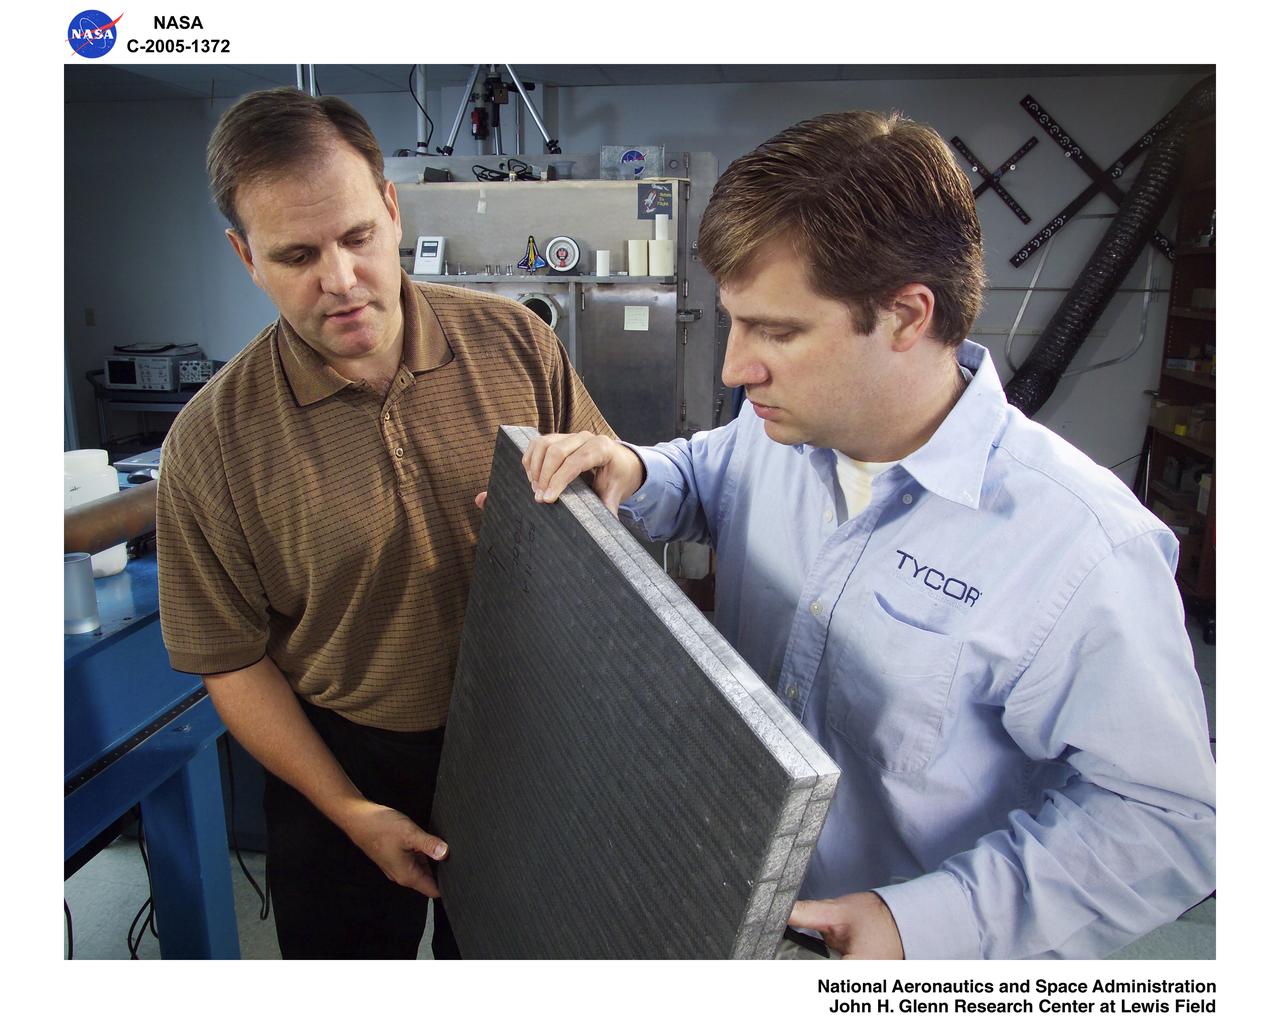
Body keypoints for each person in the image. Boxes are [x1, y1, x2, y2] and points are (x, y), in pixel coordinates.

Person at [518, 110, 1216, 959]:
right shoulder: (775, 431)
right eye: (736, 321)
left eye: (778, 331)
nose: (737, 366)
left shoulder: (1084, 548)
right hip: (727, 892)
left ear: (906, 316)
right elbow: (707, 472)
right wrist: (633, 468)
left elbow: (1166, 824)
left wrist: (920, 923)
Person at [155, 87, 611, 959]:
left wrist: (595, 495)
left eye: (358, 237)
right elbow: (231, 659)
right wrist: (351, 812)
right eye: (295, 255)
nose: (342, 280)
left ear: (392, 209)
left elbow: (610, 506)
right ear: (244, 256)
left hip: (527, 743)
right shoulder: (212, 444)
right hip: (341, 762)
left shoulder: (518, 344)